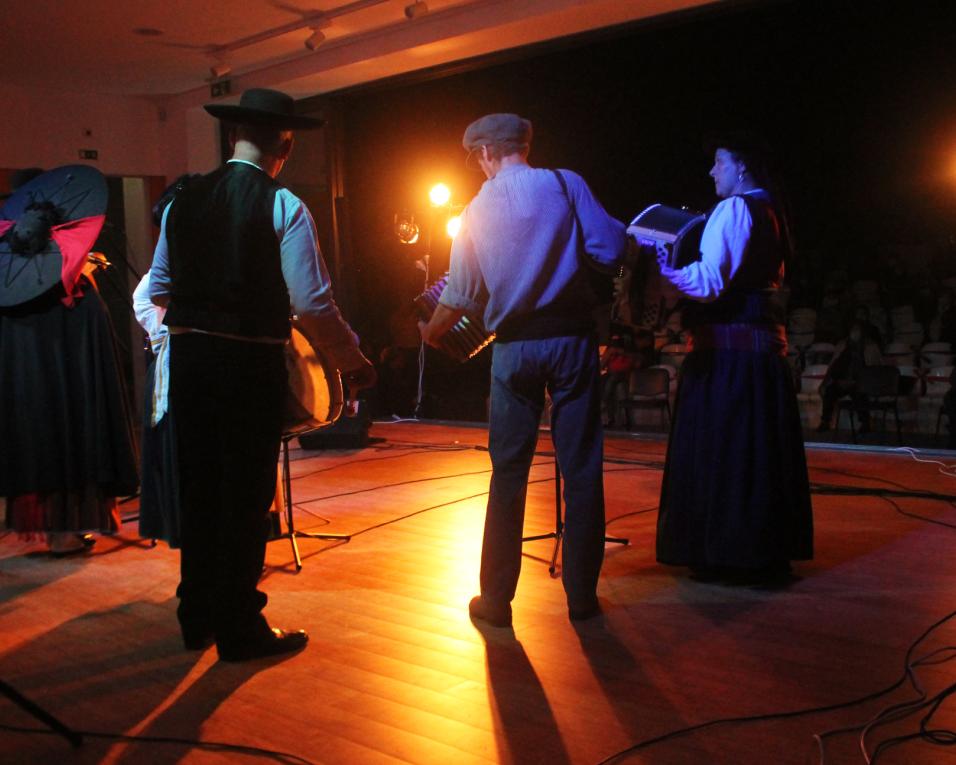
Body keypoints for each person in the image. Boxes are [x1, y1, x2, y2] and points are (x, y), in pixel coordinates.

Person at [148, 88, 376, 662]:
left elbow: (156, 288)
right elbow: (313, 303)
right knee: (246, 498)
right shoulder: (284, 206)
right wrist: (351, 360)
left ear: (231, 137)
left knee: (199, 492)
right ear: (287, 143)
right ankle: (240, 628)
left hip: (191, 366)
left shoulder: (182, 199)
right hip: (248, 366)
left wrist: (180, 336)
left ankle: (195, 616)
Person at [419, 113, 628, 626]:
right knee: (581, 469)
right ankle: (581, 598)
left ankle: (495, 601)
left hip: (513, 349)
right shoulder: (565, 182)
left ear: (486, 152)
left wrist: (431, 332)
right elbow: (611, 248)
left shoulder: (472, 210)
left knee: (508, 474)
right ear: (523, 146)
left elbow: (461, 294)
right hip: (572, 342)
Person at [635, 133, 813, 584]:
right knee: (753, 453)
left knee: (729, 450)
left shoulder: (735, 209)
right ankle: (756, 549)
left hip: (730, 361)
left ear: (741, 167)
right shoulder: (770, 211)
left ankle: (727, 552)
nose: (712, 171)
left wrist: (664, 268)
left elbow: (711, 281)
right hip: (757, 359)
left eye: (719, 162)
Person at [816, 319, 883, 433]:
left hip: (861, 383)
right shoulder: (843, 345)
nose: (855, 332)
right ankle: (825, 422)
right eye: (853, 329)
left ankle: (865, 423)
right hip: (843, 381)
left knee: (860, 393)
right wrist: (825, 383)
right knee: (830, 391)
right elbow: (834, 366)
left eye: (858, 330)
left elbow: (875, 369)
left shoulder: (870, 346)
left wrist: (857, 381)